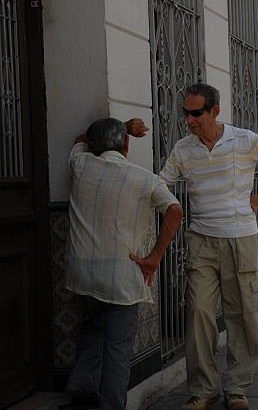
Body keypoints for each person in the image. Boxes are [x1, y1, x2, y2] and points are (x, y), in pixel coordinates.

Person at [159, 83, 258, 410]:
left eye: (197, 113)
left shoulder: (244, 139)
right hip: (201, 240)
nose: (190, 120)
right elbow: (160, 184)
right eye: (186, 114)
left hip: (241, 239)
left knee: (242, 315)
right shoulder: (183, 149)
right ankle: (203, 390)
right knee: (198, 313)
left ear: (214, 111)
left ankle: (236, 388)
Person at [63, 118, 183, 410]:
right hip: (120, 277)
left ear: (93, 146)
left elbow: (81, 136)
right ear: (126, 145)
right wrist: (154, 258)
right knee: (118, 349)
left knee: (93, 326)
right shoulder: (144, 179)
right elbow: (175, 211)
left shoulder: (80, 165)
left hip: (82, 273)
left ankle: (81, 387)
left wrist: (124, 125)